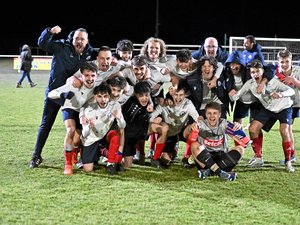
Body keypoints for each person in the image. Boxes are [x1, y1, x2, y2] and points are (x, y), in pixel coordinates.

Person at [29, 25, 96, 168]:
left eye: (82, 39)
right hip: (55, 94)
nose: (79, 41)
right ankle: (36, 156)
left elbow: (104, 59)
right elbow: (42, 43)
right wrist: (49, 32)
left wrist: (115, 60)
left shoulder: (90, 53)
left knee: (79, 128)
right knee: (46, 124)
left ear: (87, 41)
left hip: (74, 98)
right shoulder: (61, 47)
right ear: (72, 39)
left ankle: (79, 157)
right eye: (76, 38)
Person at [229, 59, 296, 172]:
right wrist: (232, 94)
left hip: (284, 107)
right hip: (269, 109)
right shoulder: (250, 84)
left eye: (257, 71)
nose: (255, 74)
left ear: (263, 71)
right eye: (252, 72)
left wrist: (280, 94)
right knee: (253, 128)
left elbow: (291, 91)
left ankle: (288, 161)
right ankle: (259, 158)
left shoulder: (273, 81)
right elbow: (236, 96)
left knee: (284, 131)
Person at [47, 61, 99, 175]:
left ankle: (75, 151)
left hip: (82, 111)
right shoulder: (73, 84)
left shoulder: (97, 86)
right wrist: (62, 94)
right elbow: (50, 94)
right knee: (70, 130)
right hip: (70, 108)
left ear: (97, 75)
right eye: (86, 75)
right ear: (81, 76)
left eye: (93, 75)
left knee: (79, 138)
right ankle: (68, 164)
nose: (90, 78)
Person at [190, 102, 245, 181]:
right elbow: (192, 133)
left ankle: (210, 171)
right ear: (205, 114)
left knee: (240, 149)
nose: (212, 116)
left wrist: (237, 128)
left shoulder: (225, 124)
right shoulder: (200, 125)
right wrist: (192, 127)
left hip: (222, 158)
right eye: (209, 113)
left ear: (219, 114)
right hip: (205, 158)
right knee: (194, 145)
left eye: (215, 113)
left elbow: (241, 140)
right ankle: (220, 172)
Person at [80, 82, 126, 174]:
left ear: (109, 96)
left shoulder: (115, 105)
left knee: (115, 136)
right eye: (99, 96)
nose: (103, 99)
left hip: (105, 136)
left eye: (105, 96)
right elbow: (84, 134)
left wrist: (119, 118)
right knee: (88, 170)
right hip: (91, 139)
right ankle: (100, 151)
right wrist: (88, 127)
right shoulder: (89, 109)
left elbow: (122, 126)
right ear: (95, 97)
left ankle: (110, 163)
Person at [275, 49, 300, 165]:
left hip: (298, 102)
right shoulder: (276, 74)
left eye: (287, 61)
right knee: (288, 129)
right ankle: (292, 155)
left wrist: (294, 81)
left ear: (291, 61)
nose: (284, 64)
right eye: (282, 62)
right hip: (289, 104)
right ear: (278, 62)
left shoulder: (298, 71)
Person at [121, 81, 153, 168]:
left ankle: (154, 157)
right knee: (128, 166)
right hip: (128, 138)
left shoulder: (149, 104)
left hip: (139, 133)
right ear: (136, 95)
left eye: (146, 95)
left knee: (162, 127)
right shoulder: (131, 105)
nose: (144, 98)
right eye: (141, 96)